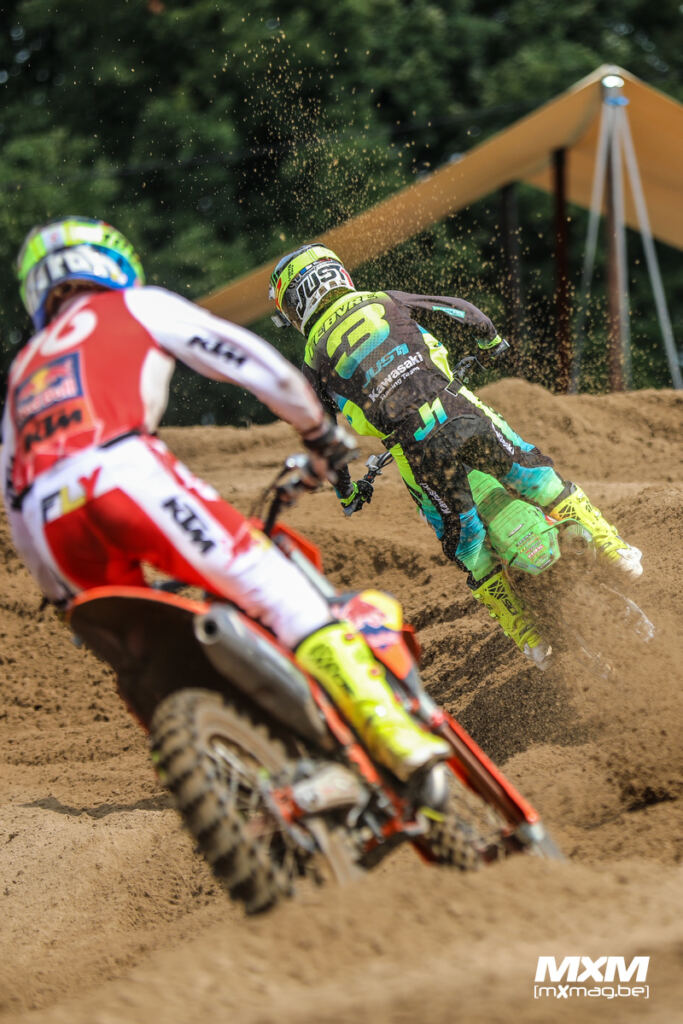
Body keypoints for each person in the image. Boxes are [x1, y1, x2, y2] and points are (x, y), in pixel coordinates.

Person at [1, 216, 449, 785]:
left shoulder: (23, 369)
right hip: (120, 474)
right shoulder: (134, 305)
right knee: (276, 588)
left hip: (50, 524)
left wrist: (60, 593)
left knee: (146, 660)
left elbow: (13, 497)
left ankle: (225, 777)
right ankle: (396, 740)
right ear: (112, 264)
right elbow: (244, 359)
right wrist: (318, 431)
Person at [268, 243, 643, 670]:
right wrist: (490, 341)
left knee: (470, 547)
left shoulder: (313, 360)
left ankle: (531, 639)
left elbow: (323, 440)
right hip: (458, 409)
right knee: (539, 481)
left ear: (295, 305)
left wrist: (348, 492)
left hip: (414, 449)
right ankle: (615, 551)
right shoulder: (383, 300)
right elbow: (465, 311)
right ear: (337, 274)